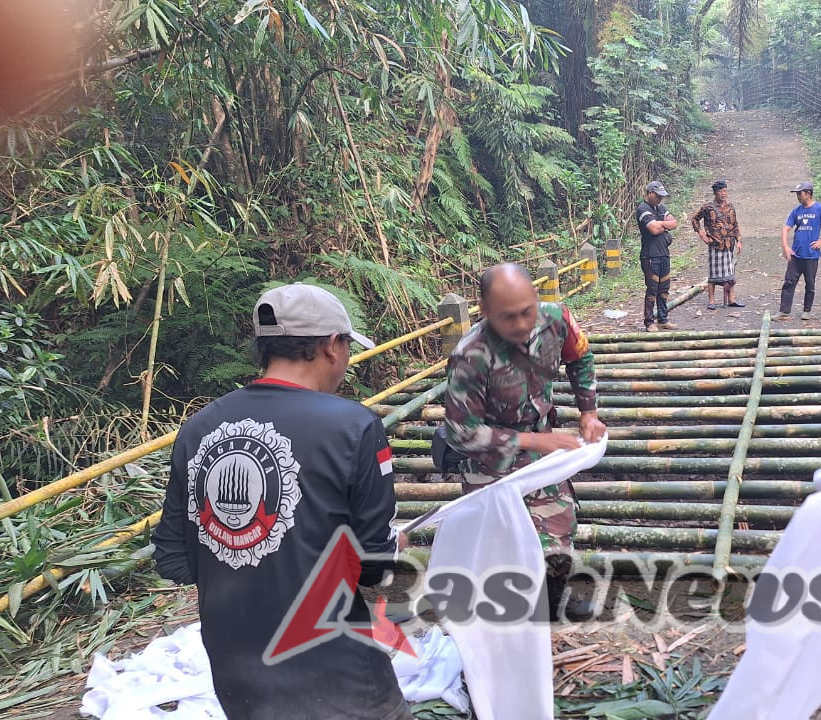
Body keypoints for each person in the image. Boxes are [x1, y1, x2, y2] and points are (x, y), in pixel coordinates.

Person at [153, 283, 409, 720]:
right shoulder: (353, 426)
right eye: (347, 347)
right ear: (332, 346)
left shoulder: (197, 429)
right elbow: (376, 565)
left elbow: (173, 559)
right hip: (337, 674)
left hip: (239, 677)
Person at [443, 263, 607, 622]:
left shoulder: (556, 319)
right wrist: (533, 439)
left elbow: (581, 358)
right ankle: (501, 614)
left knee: (560, 534)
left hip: (542, 447)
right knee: (500, 547)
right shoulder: (470, 356)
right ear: (484, 311)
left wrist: (588, 411)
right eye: (507, 317)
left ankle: (553, 600)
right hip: (491, 459)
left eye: (526, 312)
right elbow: (461, 432)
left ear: (536, 298)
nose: (520, 324)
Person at [778, 181, 821, 321]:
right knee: (789, 282)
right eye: (797, 194)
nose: (798, 196)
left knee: (810, 284)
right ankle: (784, 311)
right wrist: (786, 246)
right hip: (796, 254)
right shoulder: (796, 211)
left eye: (800, 193)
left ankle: (807, 310)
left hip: (811, 254)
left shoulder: (820, 209)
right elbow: (786, 228)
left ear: (808, 193)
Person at [691, 179, 745, 310]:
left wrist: (739, 240)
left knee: (730, 273)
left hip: (729, 244)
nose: (724, 194)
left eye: (725, 191)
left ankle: (732, 299)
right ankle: (712, 301)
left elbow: (735, 225)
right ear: (715, 193)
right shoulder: (707, 207)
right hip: (715, 243)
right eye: (721, 191)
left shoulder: (731, 207)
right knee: (713, 275)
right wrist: (702, 234)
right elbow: (694, 219)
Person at [636, 180, 679, 331]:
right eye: (658, 196)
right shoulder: (643, 208)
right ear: (650, 193)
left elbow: (674, 223)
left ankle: (663, 318)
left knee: (664, 288)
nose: (660, 199)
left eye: (662, 196)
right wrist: (663, 224)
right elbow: (653, 229)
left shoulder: (660, 207)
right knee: (652, 288)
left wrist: (660, 224)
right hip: (650, 256)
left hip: (663, 254)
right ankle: (649, 322)